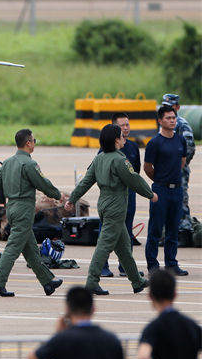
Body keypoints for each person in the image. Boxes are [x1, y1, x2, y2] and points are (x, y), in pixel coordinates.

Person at [65, 124, 154, 295]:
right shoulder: (120, 160)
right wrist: (150, 194)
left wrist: (72, 198)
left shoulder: (99, 159)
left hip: (104, 203)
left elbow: (85, 182)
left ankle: (136, 280)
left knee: (123, 245)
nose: (124, 138)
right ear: (116, 140)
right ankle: (92, 281)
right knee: (104, 245)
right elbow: (133, 179)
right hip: (116, 205)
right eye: (121, 136)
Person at [0, 129, 65, 297]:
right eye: (34, 140)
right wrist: (57, 194)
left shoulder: (7, 163)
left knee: (30, 248)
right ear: (28, 143)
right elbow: (42, 183)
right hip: (24, 208)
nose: (34, 143)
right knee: (12, 248)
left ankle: (47, 281)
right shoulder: (30, 164)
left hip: (11, 208)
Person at [138, 269, 201, 359]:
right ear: (175, 294)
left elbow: (143, 357)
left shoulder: (153, 329)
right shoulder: (192, 326)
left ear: (150, 296)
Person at [144, 105, 188, 276]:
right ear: (160, 121)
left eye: (174, 117)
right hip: (160, 190)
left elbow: (182, 162)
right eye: (168, 118)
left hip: (176, 191)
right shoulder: (154, 143)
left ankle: (171, 263)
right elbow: (148, 167)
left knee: (173, 229)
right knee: (155, 229)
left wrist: (173, 179)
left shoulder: (180, 140)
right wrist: (161, 180)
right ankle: (152, 265)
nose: (172, 120)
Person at [100, 112, 143, 278]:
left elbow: (136, 172)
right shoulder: (105, 150)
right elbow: (98, 171)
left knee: (127, 229)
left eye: (128, 124)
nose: (126, 128)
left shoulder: (132, 147)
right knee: (107, 231)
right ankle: (103, 265)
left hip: (128, 195)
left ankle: (125, 266)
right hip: (111, 196)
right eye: (122, 125)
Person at [162, 93, 195, 235]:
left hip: (178, 171)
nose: (168, 109)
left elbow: (190, 148)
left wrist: (179, 164)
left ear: (177, 107)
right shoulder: (162, 123)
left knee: (180, 200)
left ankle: (184, 231)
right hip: (164, 172)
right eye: (165, 106)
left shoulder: (182, 124)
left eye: (171, 107)